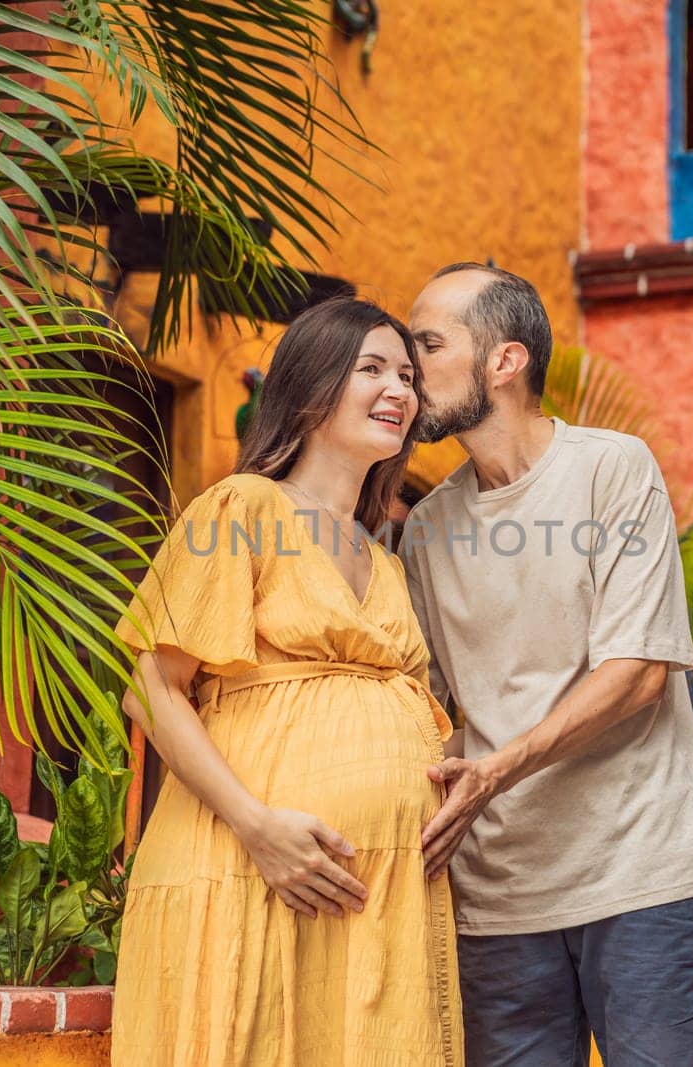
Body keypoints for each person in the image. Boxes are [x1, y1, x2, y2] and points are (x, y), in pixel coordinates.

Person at [110, 298, 462, 1065]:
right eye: (371, 368)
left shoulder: (387, 559)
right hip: (250, 867)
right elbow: (151, 686)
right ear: (308, 388)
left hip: (379, 904)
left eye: (407, 374)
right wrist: (257, 826)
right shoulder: (241, 506)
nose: (399, 389)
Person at [398, 263, 693, 1065]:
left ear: (504, 362)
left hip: (640, 879)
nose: (410, 366)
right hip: (496, 902)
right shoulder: (426, 529)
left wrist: (496, 770)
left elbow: (639, 668)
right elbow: (435, 712)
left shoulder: (612, 470)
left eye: (430, 343)